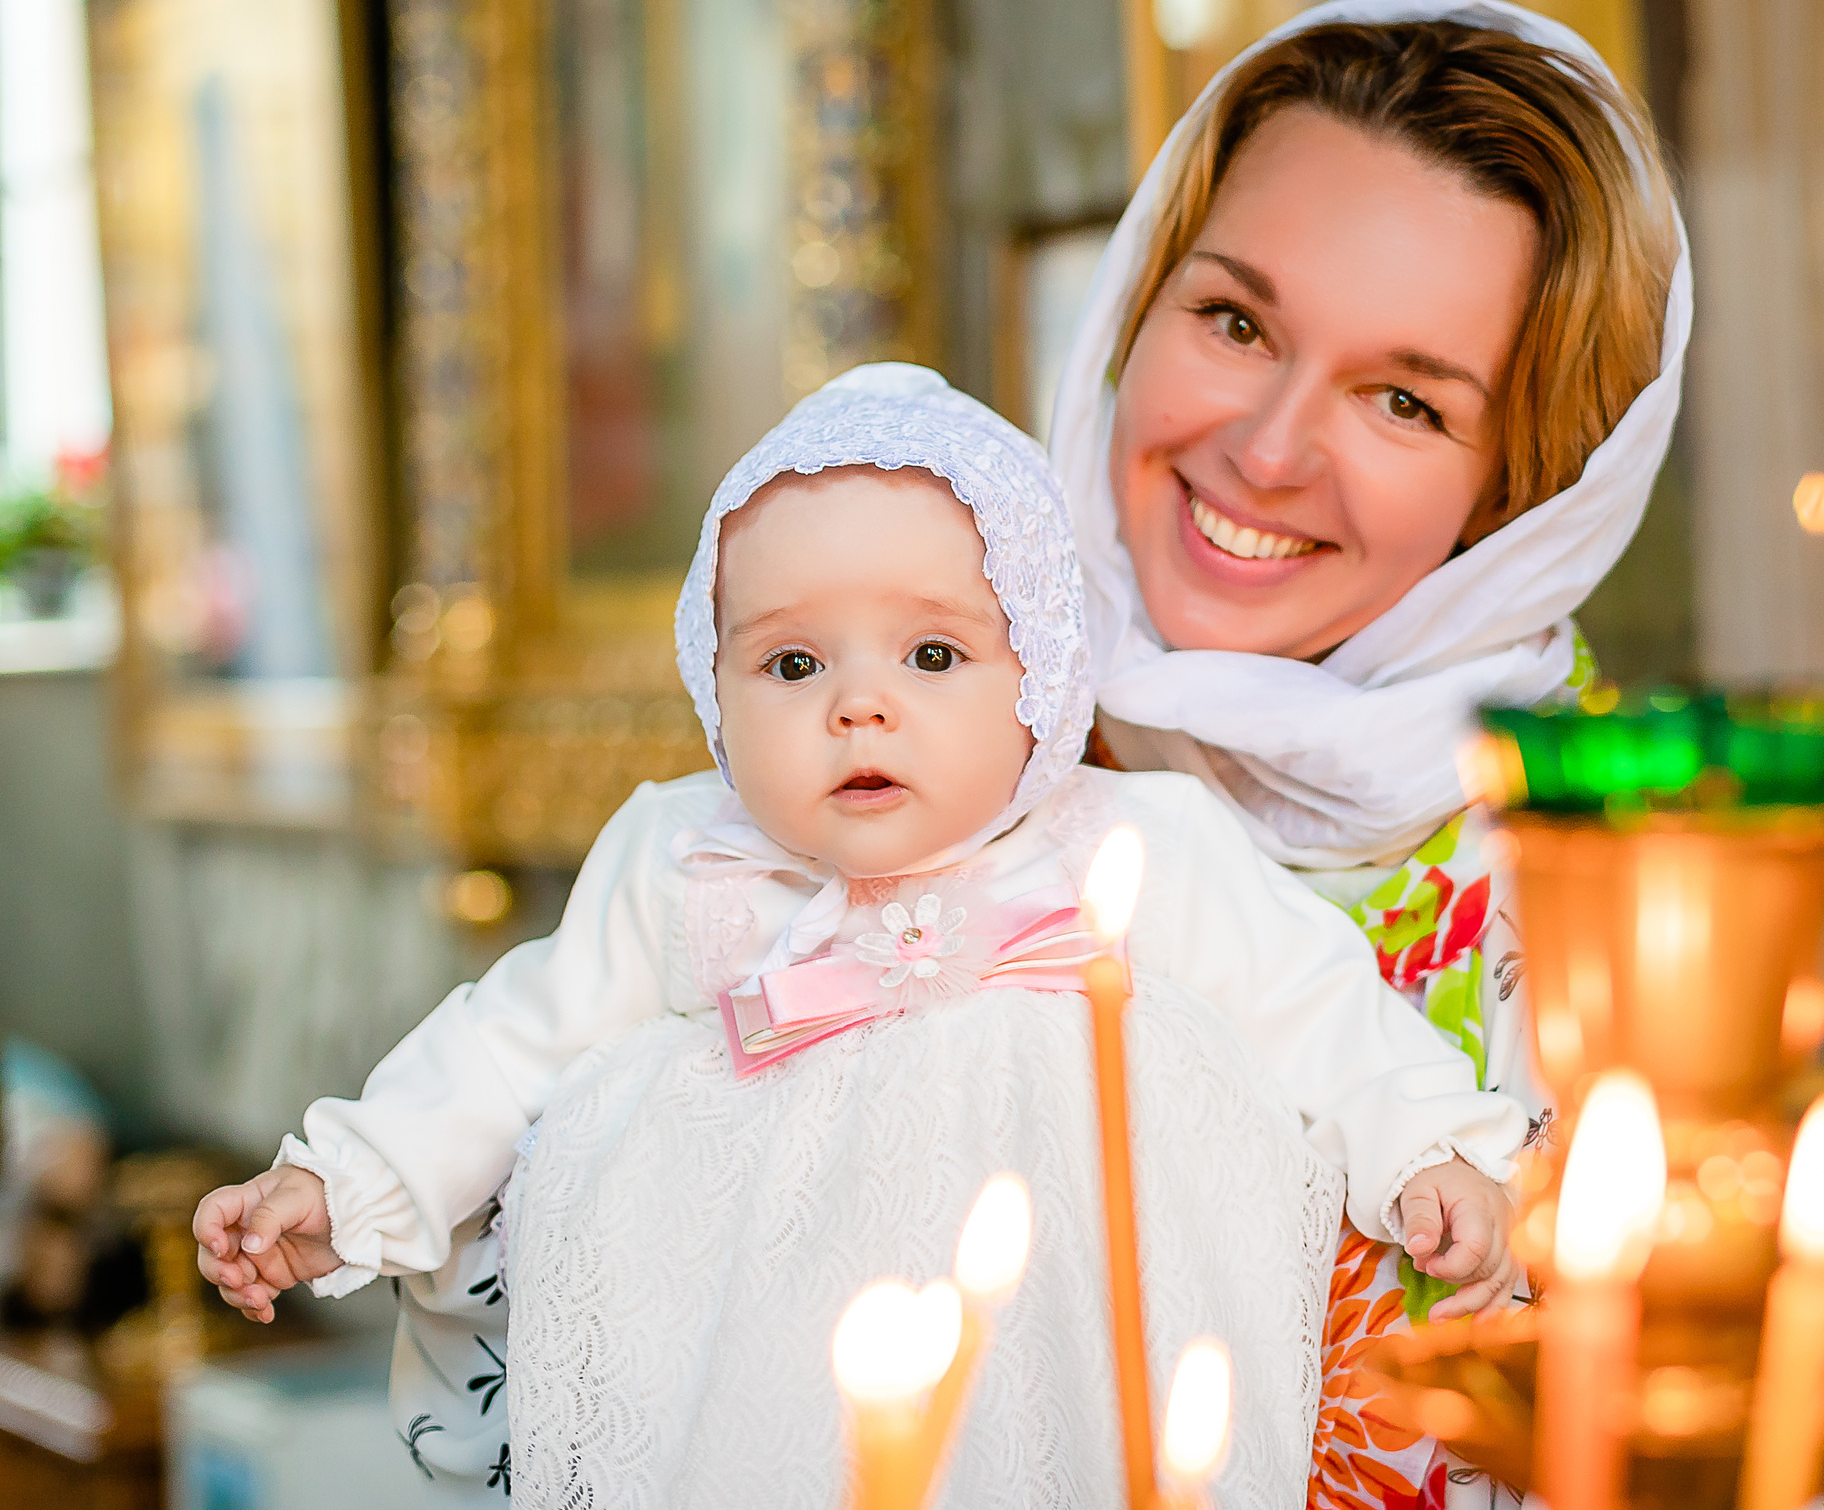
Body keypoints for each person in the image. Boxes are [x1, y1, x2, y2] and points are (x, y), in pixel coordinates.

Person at [191, 365, 1527, 1507]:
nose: (860, 710)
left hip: (1073, 1359)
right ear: (714, 688)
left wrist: (1429, 1149)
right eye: (792, 664)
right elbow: (510, 1040)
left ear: (1043, 678)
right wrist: (350, 1186)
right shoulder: (685, 854)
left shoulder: (1133, 846)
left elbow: (1317, 1007)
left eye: (933, 657)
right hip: (765, 1385)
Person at [1047, 0, 1688, 1510]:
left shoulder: (1612, 882)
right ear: (1137, 304)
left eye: (1405, 400)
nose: (1268, 451)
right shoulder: (906, 707)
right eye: (1234, 320)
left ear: (1521, 494)